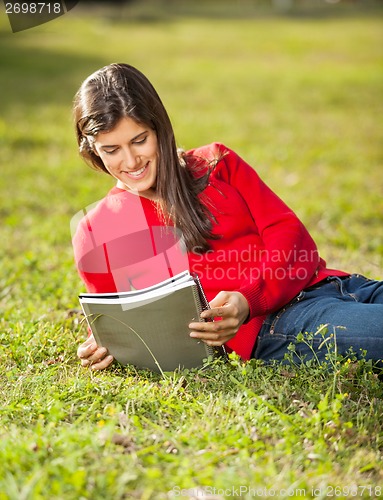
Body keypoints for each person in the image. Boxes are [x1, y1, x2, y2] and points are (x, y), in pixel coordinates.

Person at [72, 63, 383, 371]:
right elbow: (112, 318)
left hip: (333, 284)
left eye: (140, 140)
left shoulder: (215, 162)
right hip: (279, 323)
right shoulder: (96, 229)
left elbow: (290, 235)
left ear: (159, 128)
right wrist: (97, 344)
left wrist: (249, 298)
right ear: (93, 149)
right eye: (111, 149)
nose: (131, 160)